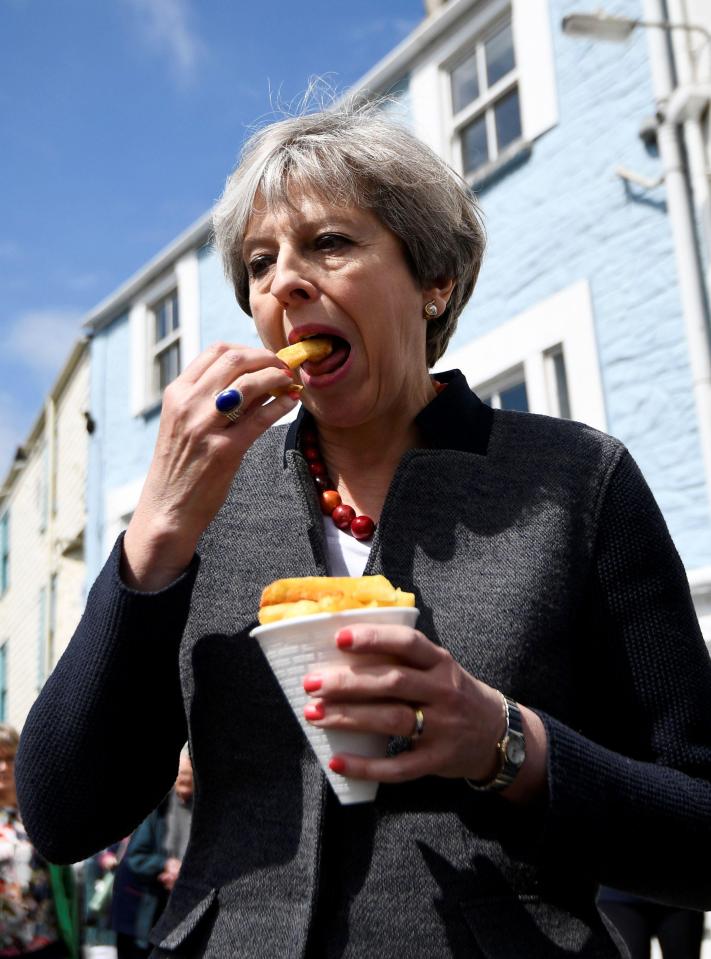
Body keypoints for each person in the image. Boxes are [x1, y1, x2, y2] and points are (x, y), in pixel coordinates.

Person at [14, 100, 711, 958]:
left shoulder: (577, 481)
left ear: (434, 279)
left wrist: (503, 741)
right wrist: (152, 543)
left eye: (330, 244)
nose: (284, 282)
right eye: (259, 263)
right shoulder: (207, 508)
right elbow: (61, 814)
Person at [0, 724, 79, 958]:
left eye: (10, 758)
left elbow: (65, 881)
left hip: (45, 942)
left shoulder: (38, 811)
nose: (3, 767)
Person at [110, 751, 193, 959]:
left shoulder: (202, 812)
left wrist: (183, 875)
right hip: (142, 914)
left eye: (188, 776)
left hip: (179, 911)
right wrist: (165, 865)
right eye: (180, 775)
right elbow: (136, 858)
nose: (183, 780)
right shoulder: (158, 808)